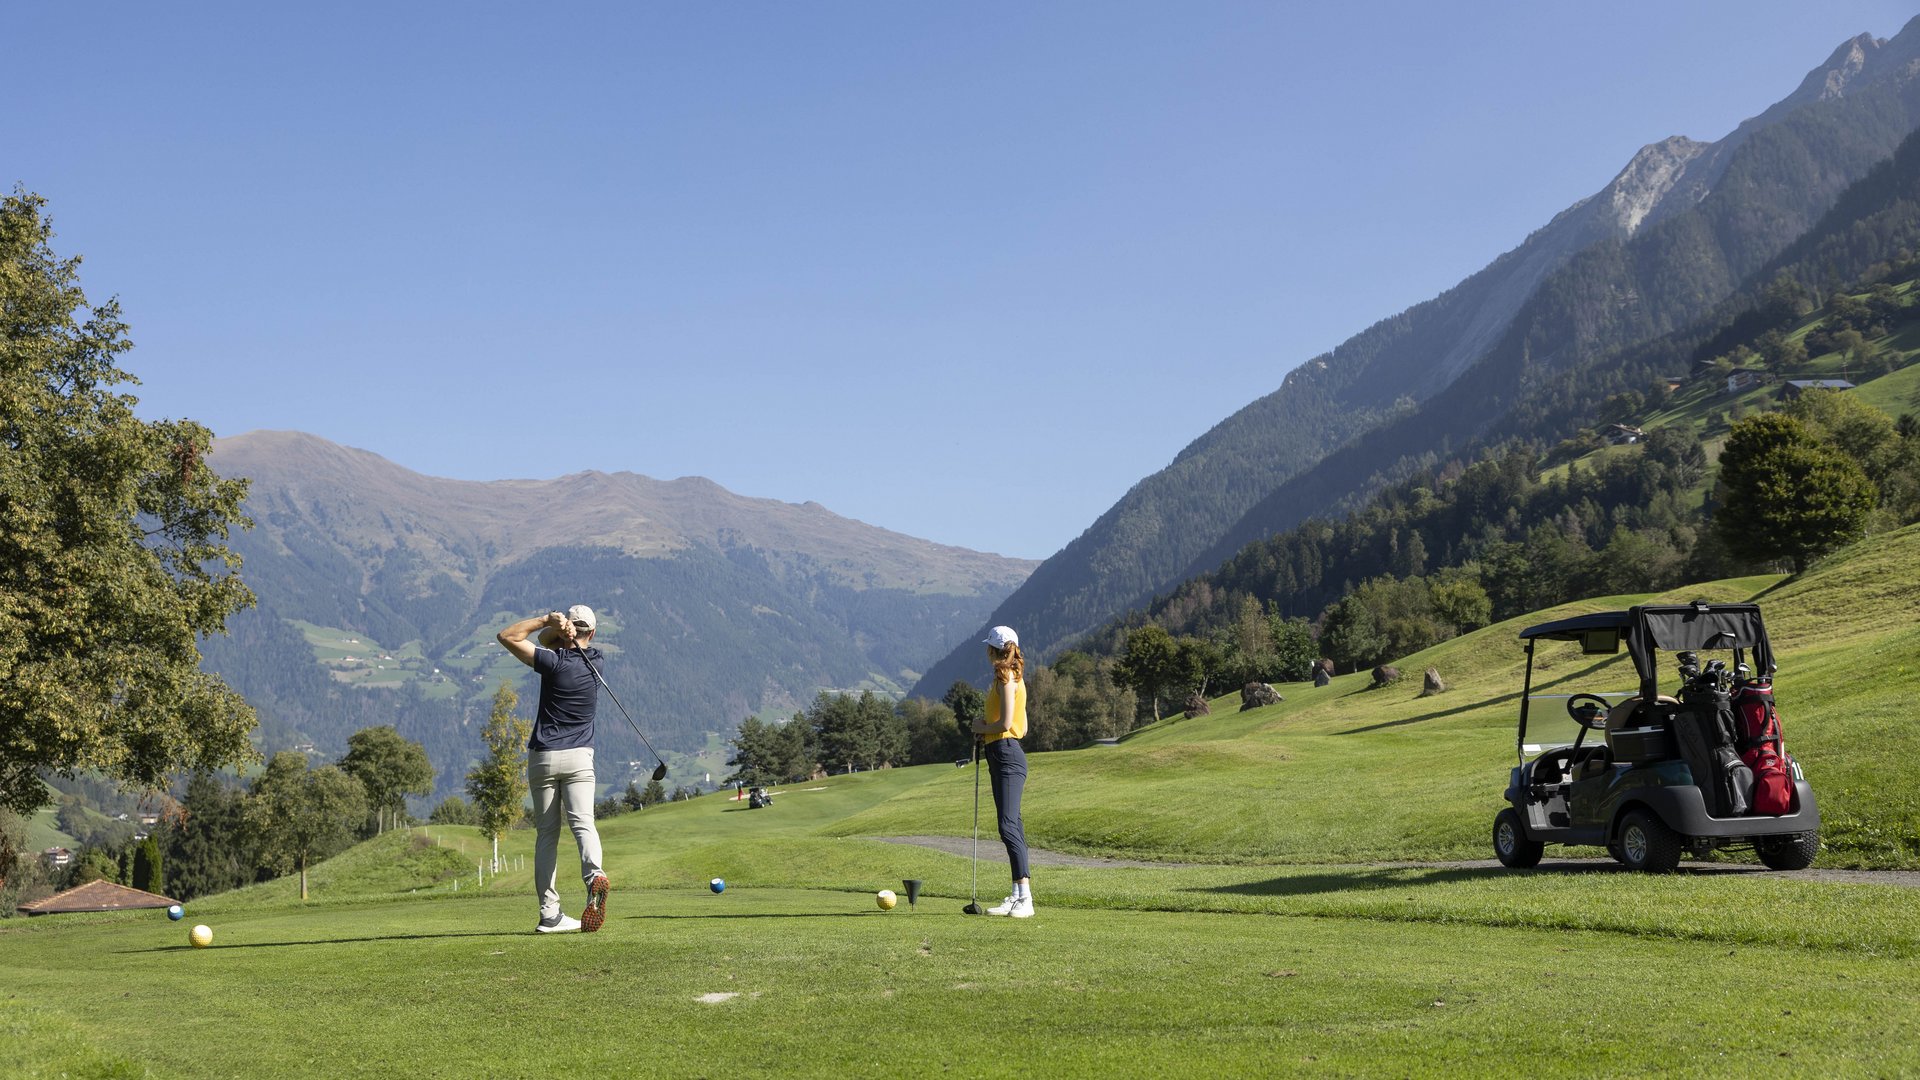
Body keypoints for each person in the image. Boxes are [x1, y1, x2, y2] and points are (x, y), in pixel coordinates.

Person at [496, 605, 612, 934]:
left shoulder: (552, 661)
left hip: (544, 757)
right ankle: (595, 877)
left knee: (547, 835)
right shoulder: (598, 662)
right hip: (579, 759)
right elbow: (556, 641)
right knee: (583, 824)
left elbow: (507, 636)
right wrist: (562, 631)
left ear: (567, 632)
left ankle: (550, 914)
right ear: (593, 633)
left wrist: (546, 621)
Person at [973, 625, 1033, 918]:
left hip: (1007, 752)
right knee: (1012, 825)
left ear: (993, 650)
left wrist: (981, 728)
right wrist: (985, 730)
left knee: (1008, 826)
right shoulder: (1011, 676)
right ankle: (1017, 894)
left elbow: (1007, 723)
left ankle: (1026, 899)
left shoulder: (1006, 677)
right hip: (1000, 752)